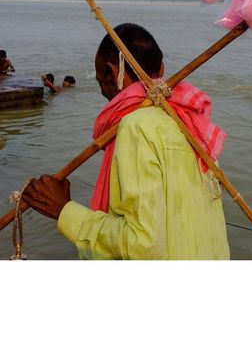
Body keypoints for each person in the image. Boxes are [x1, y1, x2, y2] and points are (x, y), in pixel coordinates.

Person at [23, 23, 230, 260]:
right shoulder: (192, 124)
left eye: (101, 82)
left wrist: (64, 210)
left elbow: (143, 246)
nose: (104, 93)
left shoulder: (136, 126)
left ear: (112, 73)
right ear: (161, 68)